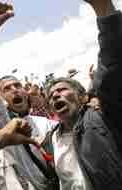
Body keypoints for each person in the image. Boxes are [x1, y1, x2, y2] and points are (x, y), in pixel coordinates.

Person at [45, 0, 122, 189]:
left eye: (62, 90)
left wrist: (103, 10)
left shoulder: (101, 116)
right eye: (51, 95)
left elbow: (110, 65)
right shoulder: (50, 141)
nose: (55, 95)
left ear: (83, 97)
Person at [0, 3, 58, 190]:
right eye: (7, 88)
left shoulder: (46, 124)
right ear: (1, 99)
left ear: (26, 92)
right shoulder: (2, 123)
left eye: (17, 85)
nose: (15, 89)